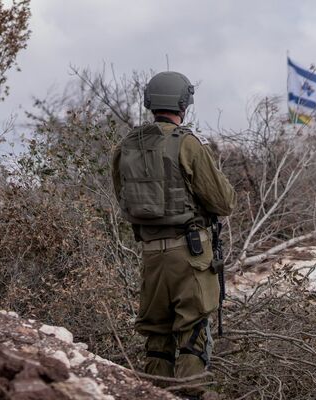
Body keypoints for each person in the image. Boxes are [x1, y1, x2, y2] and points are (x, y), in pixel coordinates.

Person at [111, 71, 236, 399]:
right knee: (192, 334)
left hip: (152, 255)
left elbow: (121, 196)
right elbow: (223, 202)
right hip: (190, 256)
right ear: (183, 103)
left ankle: (155, 394)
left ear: (150, 102)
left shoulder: (125, 146)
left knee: (157, 338)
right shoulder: (187, 143)